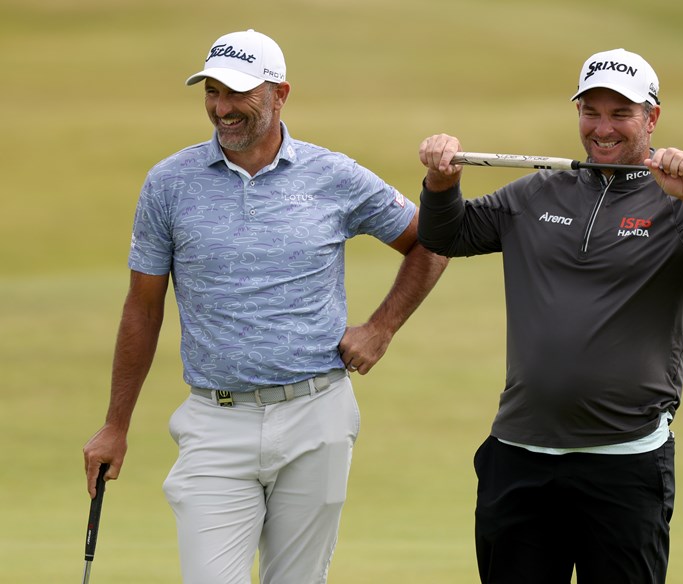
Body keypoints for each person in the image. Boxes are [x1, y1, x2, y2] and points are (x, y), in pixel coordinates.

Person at [82, 29, 448, 584]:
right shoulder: (169, 184)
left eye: (238, 94)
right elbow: (143, 308)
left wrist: (382, 327)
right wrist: (115, 424)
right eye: (212, 92)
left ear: (280, 94)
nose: (222, 108)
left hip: (316, 413)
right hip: (214, 421)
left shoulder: (333, 176)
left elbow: (431, 240)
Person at [417, 48, 683, 583]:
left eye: (620, 113)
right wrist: (441, 184)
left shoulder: (678, 208)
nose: (602, 128)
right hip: (520, 455)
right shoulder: (535, 192)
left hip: (625, 464)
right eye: (591, 111)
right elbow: (445, 236)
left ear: (652, 118)